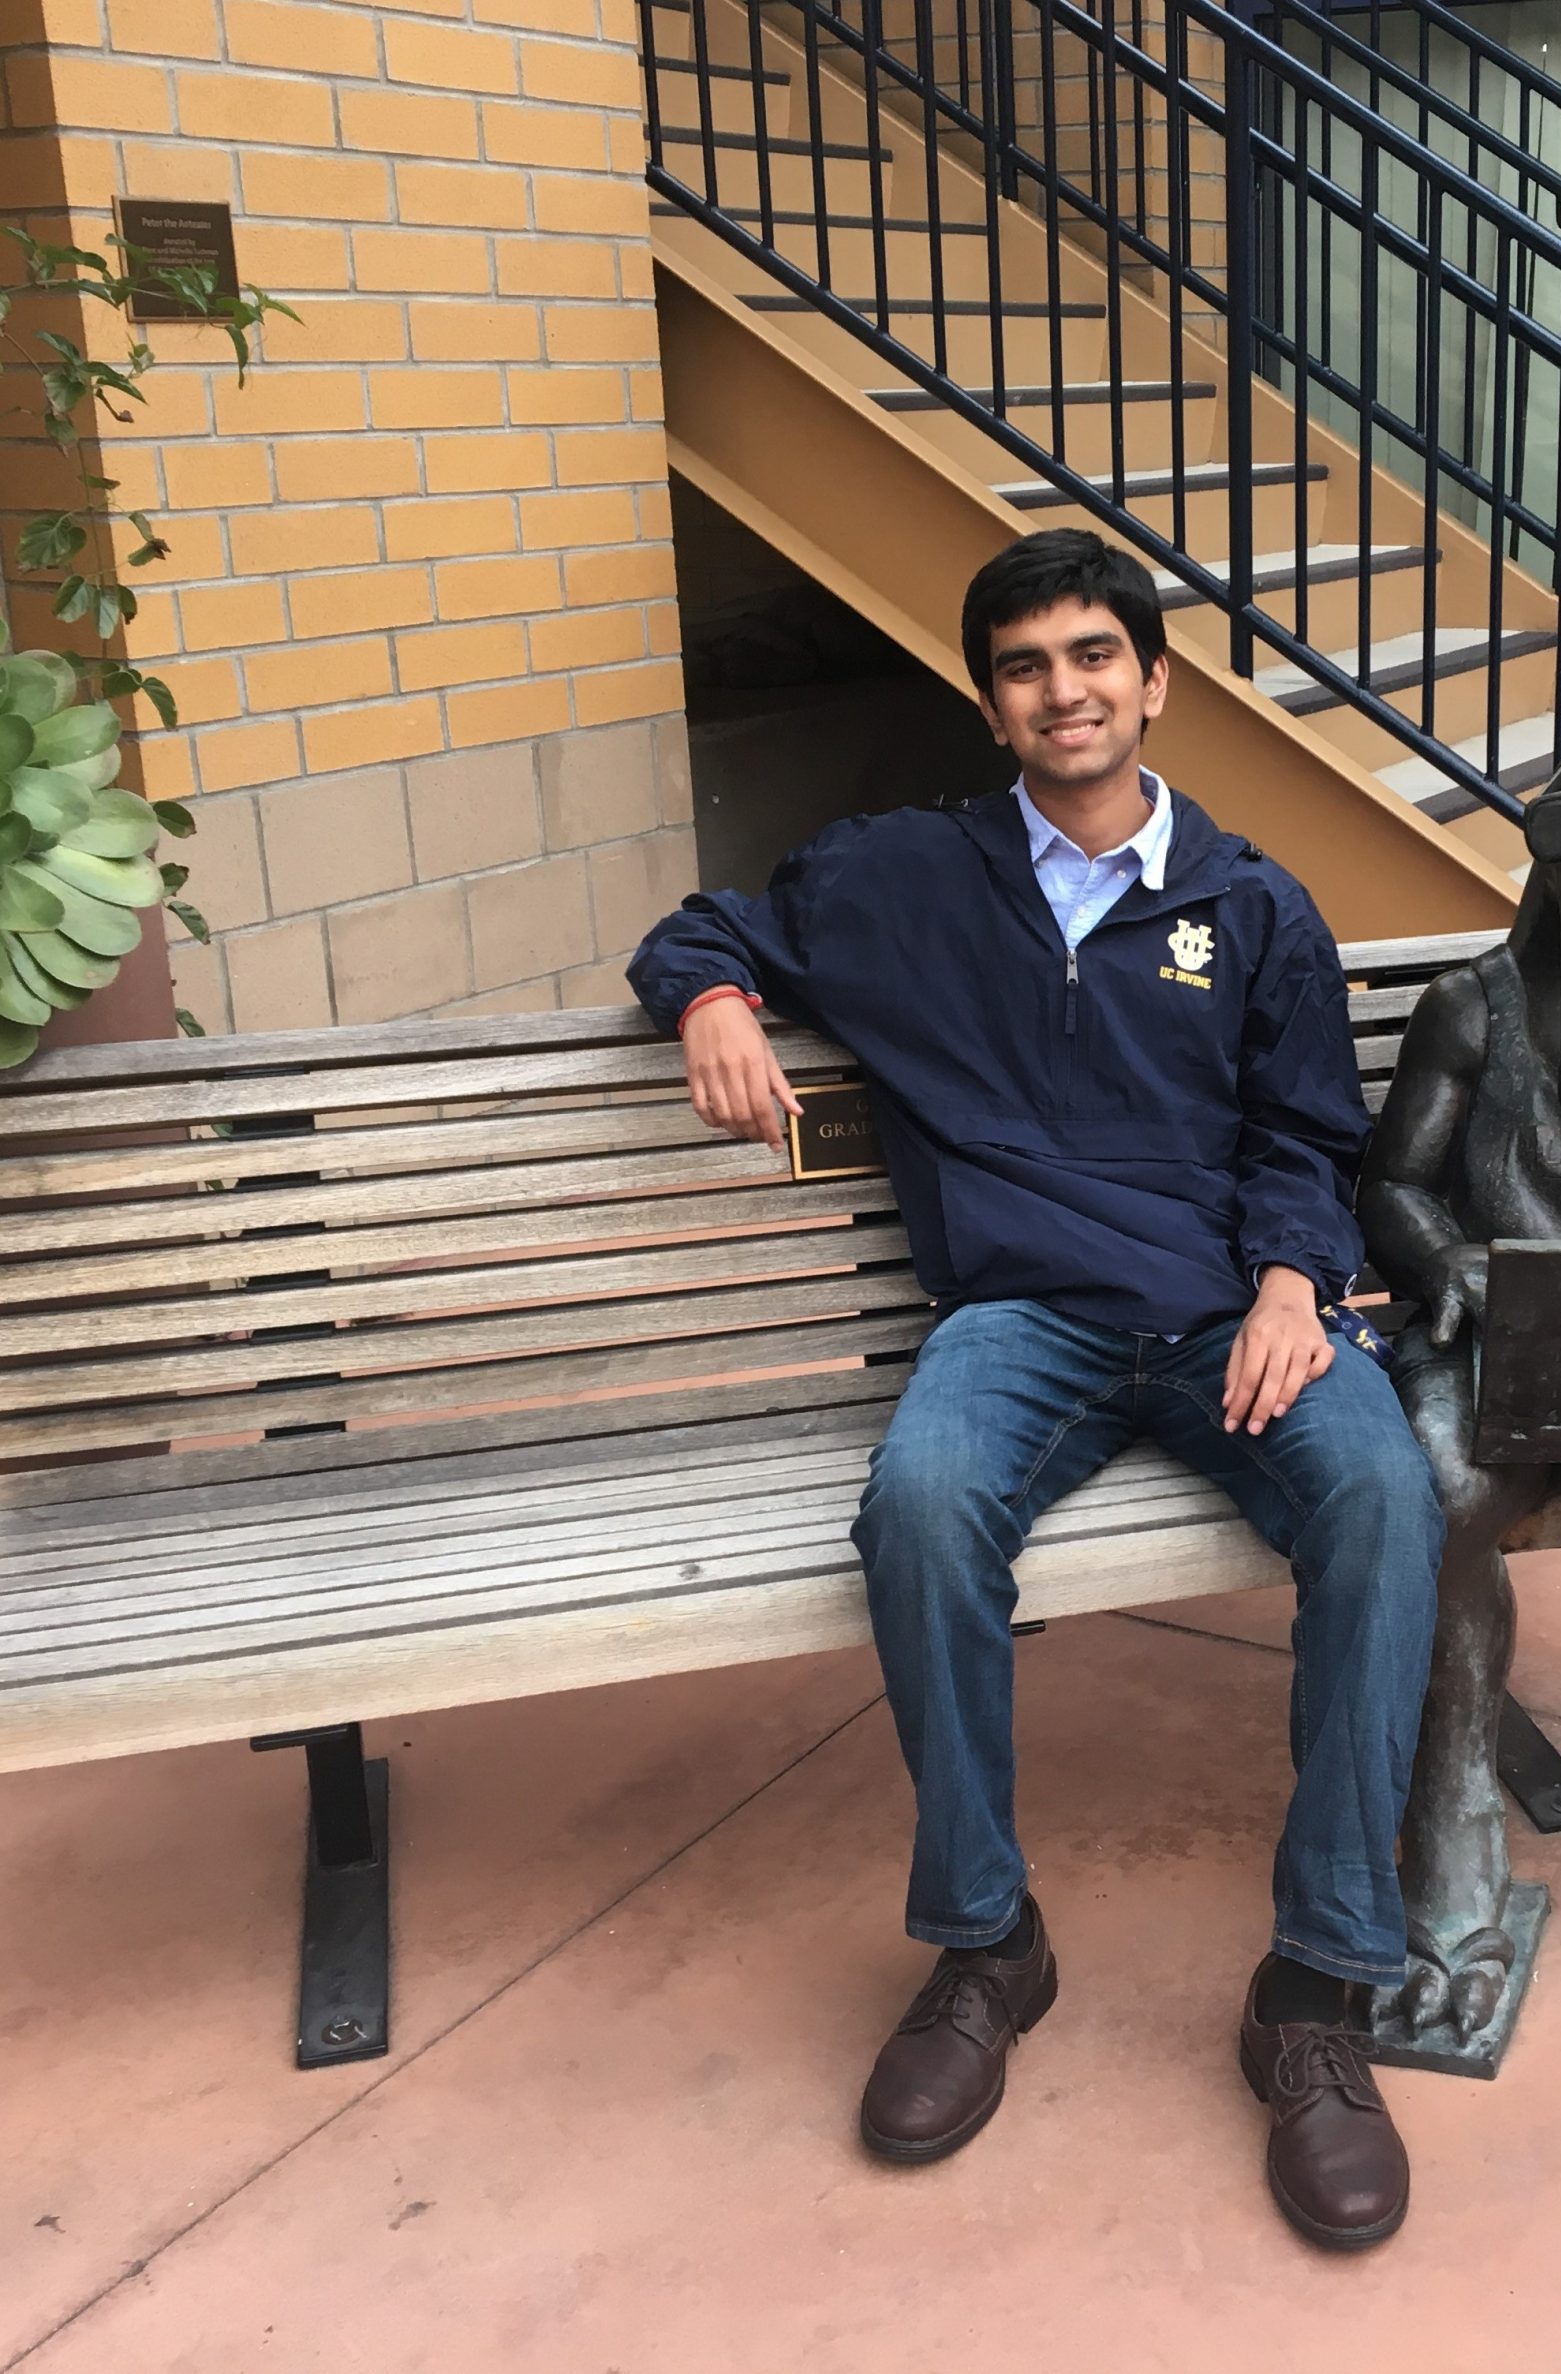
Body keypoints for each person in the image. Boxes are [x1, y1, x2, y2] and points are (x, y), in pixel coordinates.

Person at [627, 528, 1442, 2251]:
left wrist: (1297, 1280)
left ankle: (1317, 1987)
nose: (1063, 690)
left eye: (1094, 657)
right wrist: (709, 990)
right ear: (990, 701)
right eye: (1024, 665)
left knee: (1381, 1493)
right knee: (919, 1506)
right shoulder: (897, 881)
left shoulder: (1254, 904)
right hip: (1025, 1321)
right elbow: (712, 923)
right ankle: (987, 1943)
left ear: (1153, 683)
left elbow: (1311, 1132)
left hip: (1238, 1315)